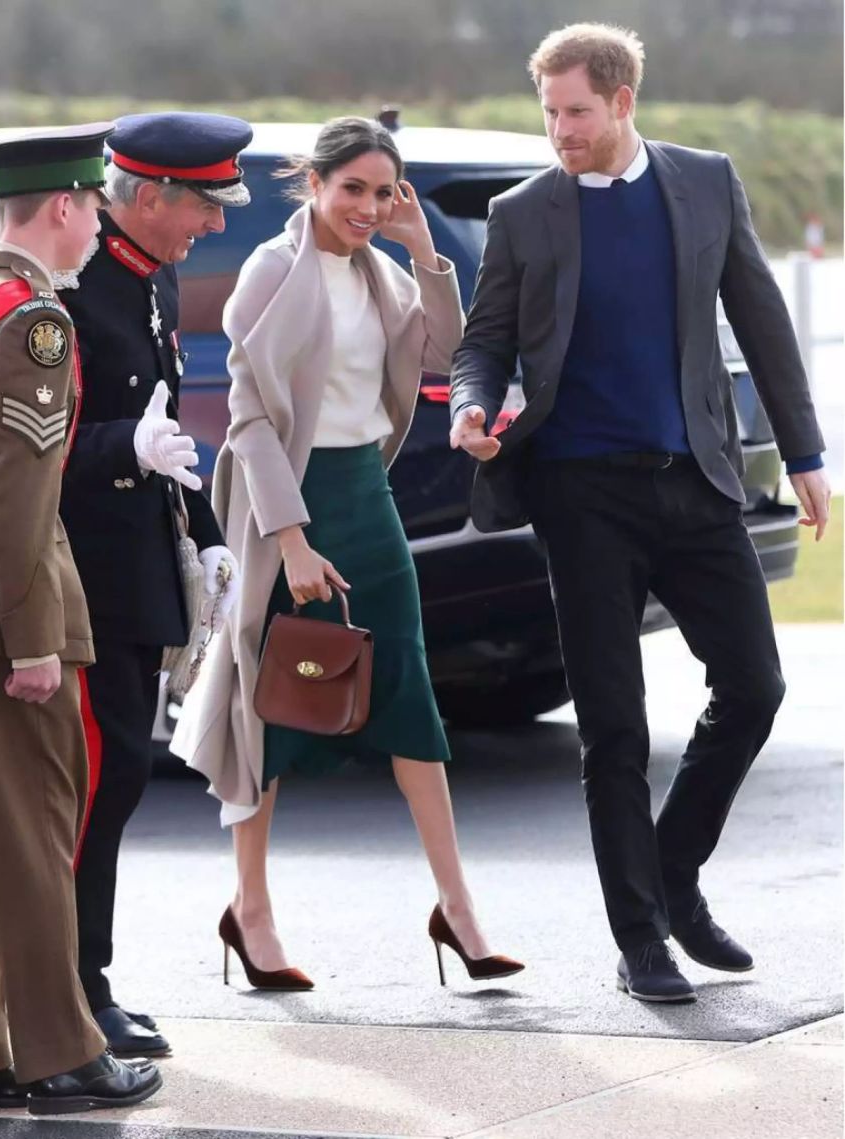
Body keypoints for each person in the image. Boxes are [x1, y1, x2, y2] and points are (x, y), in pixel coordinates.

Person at [449, 23, 830, 1003]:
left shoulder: (705, 182)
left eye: (574, 112)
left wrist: (806, 456)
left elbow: (761, 316)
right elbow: (483, 343)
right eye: (548, 113)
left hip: (694, 483)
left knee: (754, 686)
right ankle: (642, 938)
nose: (559, 131)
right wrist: (471, 405)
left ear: (622, 102)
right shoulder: (525, 211)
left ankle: (672, 875)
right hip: (582, 497)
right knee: (613, 725)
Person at [172, 117, 523, 989]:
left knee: (408, 694)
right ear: (315, 184)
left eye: (382, 191)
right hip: (286, 504)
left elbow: (445, 349)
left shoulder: (380, 274)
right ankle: (250, 912)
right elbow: (249, 418)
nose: (367, 207)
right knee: (271, 704)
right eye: (352, 189)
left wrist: (423, 252)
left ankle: (459, 908)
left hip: (366, 496)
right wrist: (291, 542)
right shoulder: (270, 271)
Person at [0, 124, 161, 1114]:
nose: (98, 222)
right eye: (95, 204)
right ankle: (59, 1053)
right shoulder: (37, 322)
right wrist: (34, 636)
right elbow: (17, 495)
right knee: (37, 831)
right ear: (68, 207)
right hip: (3, 608)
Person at [58, 112, 250, 1056]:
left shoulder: (150, 276)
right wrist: (121, 450)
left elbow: (164, 419)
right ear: (145, 196)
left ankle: (84, 982)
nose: (213, 226)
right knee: (95, 783)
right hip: (79, 577)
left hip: (137, 572)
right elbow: (20, 447)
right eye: (203, 207)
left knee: (122, 775)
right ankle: (71, 992)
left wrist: (208, 534)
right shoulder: (75, 284)